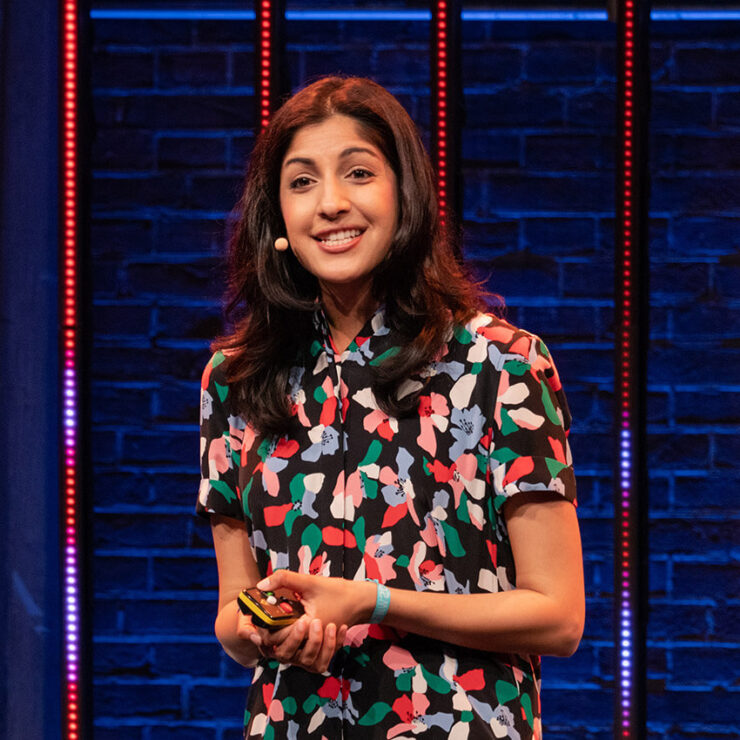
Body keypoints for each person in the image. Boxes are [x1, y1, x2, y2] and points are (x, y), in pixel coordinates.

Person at [197, 76, 584, 739]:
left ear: (405, 194)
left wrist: (375, 603)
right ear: (277, 216)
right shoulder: (236, 377)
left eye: (359, 173)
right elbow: (232, 620)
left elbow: (559, 616)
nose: (331, 203)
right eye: (302, 182)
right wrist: (268, 628)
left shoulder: (501, 364)